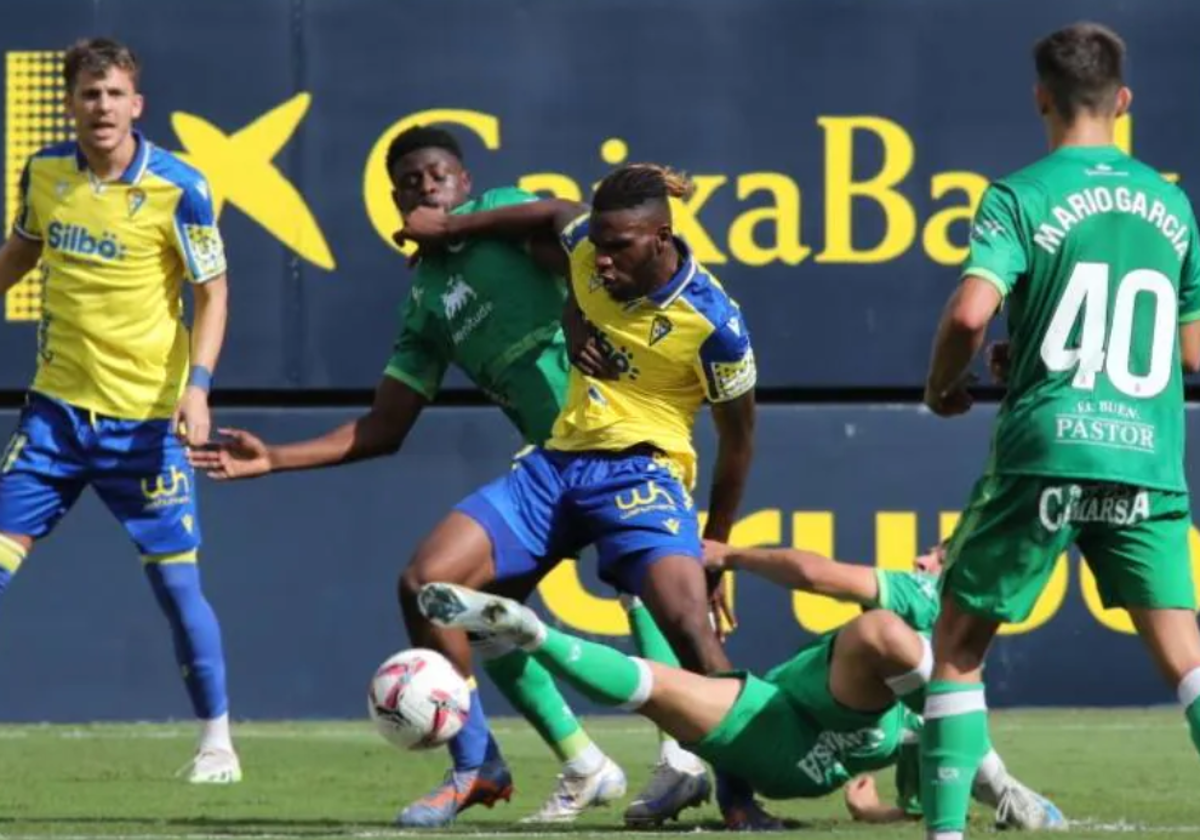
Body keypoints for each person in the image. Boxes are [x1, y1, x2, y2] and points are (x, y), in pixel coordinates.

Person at [190, 127, 706, 826]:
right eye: (409, 183)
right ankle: (517, 765)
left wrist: (459, 227)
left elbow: (561, 214)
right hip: (550, 473)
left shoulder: (503, 216)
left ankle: (686, 758)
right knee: (442, 595)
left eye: (438, 174)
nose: (425, 187)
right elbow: (384, 428)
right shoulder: (425, 302)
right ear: (395, 203)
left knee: (647, 591)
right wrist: (276, 457)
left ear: (463, 182)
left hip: (627, 449)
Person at [395, 163, 768, 828]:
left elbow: (738, 442)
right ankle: (478, 763)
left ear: (660, 239)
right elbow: (558, 229)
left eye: (619, 245)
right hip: (556, 465)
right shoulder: (592, 253)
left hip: (642, 475)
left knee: (691, 632)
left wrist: (718, 543)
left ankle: (740, 798)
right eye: (595, 242)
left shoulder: (715, 323)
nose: (600, 258)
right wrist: (572, 328)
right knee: (426, 584)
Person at [920, 22, 1200, 839]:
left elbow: (971, 311)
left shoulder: (1019, 194)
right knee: (1187, 661)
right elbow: (1187, 350)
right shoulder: (1172, 203)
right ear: (1124, 101)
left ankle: (943, 834)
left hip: (1050, 448)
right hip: (1146, 458)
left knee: (959, 644)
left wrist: (946, 385)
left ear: (1041, 96)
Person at [414, 537, 1064, 829]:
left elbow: (815, 573)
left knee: (886, 632)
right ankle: (532, 632)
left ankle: (999, 784)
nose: (922, 559)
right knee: (662, 687)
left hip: (811, 754)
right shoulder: (935, 684)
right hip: (774, 727)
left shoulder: (930, 599)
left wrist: (733, 554)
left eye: (937, 554)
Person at [0, 38, 237, 783]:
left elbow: (213, 292)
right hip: (54, 419)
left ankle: (217, 744)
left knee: (176, 586)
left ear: (137, 104)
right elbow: (20, 251)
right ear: (70, 102)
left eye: (114, 94)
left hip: (145, 426)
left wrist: (197, 386)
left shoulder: (179, 186)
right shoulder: (44, 173)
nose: (101, 107)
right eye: (89, 94)